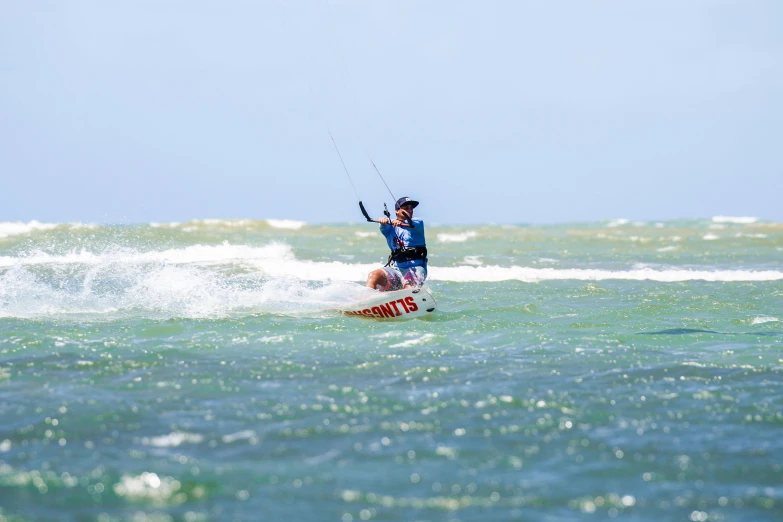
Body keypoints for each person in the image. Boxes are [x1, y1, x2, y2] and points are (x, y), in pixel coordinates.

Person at [365, 196, 428, 291]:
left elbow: (410, 223)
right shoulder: (390, 228)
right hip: (397, 271)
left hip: (416, 269)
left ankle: (410, 297)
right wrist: (383, 222)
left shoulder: (417, 223)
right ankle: (365, 300)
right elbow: (383, 227)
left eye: (411, 208)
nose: (410, 210)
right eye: (406, 208)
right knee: (374, 275)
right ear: (397, 211)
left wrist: (401, 221)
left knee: (408, 286)